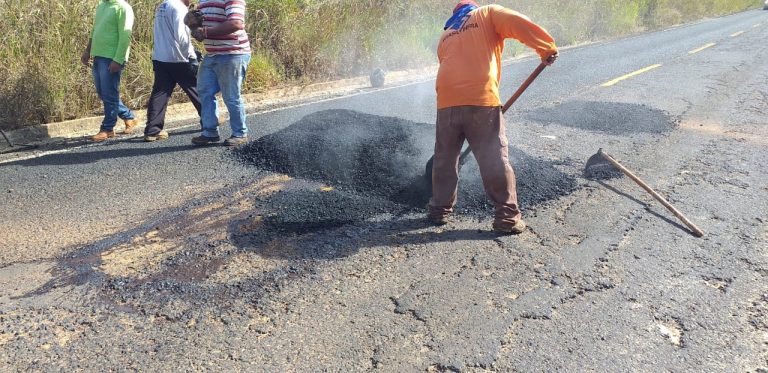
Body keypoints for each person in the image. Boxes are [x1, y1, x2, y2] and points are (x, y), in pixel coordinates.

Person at [428, 1, 558, 234]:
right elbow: (517, 23)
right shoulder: (487, 13)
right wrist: (546, 47)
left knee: (445, 158)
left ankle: (439, 209)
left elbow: (451, 64)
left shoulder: (446, 33)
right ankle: (507, 218)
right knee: (493, 156)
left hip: (446, 101)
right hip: (480, 98)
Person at [187, 0, 251, 147]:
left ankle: (240, 133)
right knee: (204, 91)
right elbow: (202, 24)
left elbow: (236, 23)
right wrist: (192, 23)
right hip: (212, 54)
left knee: (231, 96)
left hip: (233, 53)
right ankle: (210, 132)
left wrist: (205, 32)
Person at [143, 0, 202, 142]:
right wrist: (191, 56)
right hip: (178, 58)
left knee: (160, 93)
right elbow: (181, 36)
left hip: (160, 57)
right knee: (196, 89)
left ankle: (153, 130)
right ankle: (210, 120)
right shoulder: (179, 8)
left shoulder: (163, 5)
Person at [81, 0, 137, 142]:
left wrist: (118, 59)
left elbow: (125, 35)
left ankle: (107, 128)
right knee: (103, 92)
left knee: (109, 93)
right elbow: (94, 30)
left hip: (112, 57)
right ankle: (128, 116)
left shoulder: (123, 8)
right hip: (98, 55)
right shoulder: (102, 5)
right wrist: (88, 50)